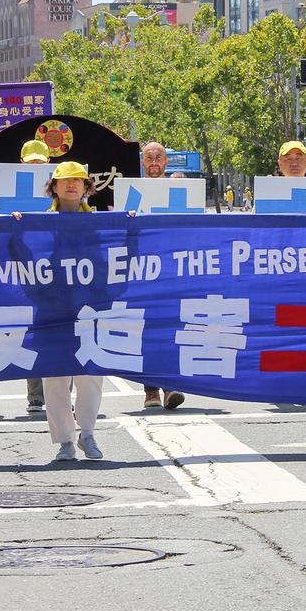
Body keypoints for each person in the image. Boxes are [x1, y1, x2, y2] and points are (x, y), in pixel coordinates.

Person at [13, 161, 106, 461]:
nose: (71, 185)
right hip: (51, 310)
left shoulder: (101, 223)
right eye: (64, 180)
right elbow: (21, 252)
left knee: (90, 374)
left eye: (77, 180)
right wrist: (14, 227)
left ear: (87, 187)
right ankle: (65, 440)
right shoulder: (39, 224)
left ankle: (88, 434)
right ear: (53, 187)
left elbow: (120, 255)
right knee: (54, 377)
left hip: (89, 309)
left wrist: (129, 226)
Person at [137, 140, 186, 410]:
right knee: (146, 331)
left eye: (159, 157)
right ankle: (150, 390)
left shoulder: (180, 191)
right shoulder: (131, 192)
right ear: (142, 162)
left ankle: (171, 386)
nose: (154, 162)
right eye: (149, 157)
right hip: (141, 270)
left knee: (172, 328)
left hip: (173, 269)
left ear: (166, 162)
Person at [18, 137, 51, 412]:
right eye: (32, 163)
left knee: (66, 332)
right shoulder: (13, 192)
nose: (36, 166)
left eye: (41, 162)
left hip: (62, 273)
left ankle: (62, 394)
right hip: (29, 273)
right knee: (36, 333)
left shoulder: (63, 188)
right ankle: (36, 396)